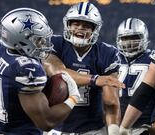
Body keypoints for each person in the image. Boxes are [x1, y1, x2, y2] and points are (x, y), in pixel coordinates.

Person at [0, 8, 81, 135]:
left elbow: (6, 91)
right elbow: (46, 123)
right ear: (20, 39)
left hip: (0, 128)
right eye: (38, 39)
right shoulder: (27, 69)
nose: (43, 43)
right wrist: (73, 98)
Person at [45, 2, 122, 134]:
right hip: (56, 127)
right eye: (75, 24)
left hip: (91, 129)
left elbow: (111, 102)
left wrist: (114, 131)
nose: (80, 28)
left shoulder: (107, 53)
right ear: (67, 25)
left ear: (94, 30)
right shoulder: (55, 43)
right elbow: (57, 71)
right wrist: (95, 79)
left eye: (86, 25)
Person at [117, 18, 155, 135]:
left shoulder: (154, 59)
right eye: (125, 38)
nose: (129, 43)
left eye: (134, 37)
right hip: (115, 124)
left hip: (143, 125)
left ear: (144, 37)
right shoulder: (113, 59)